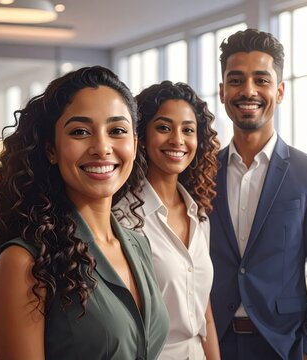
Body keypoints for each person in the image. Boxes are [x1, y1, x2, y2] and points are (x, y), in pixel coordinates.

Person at [0, 66, 169, 359]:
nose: (102, 147)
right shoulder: (23, 262)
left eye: (117, 130)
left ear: (134, 143)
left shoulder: (138, 244)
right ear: (51, 150)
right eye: (80, 131)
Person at [209, 28, 307, 360]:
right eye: (237, 80)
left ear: (280, 91)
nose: (249, 91)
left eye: (261, 80)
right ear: (223, 91)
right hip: (212, 344)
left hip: (282, 347)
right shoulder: (201, 174)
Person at [113, 81, 221, 359]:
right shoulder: (123, 218)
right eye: (163, 127)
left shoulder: (200, 214)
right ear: (142, 136)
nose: (177, 139)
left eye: (188, 130)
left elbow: (204, 315)